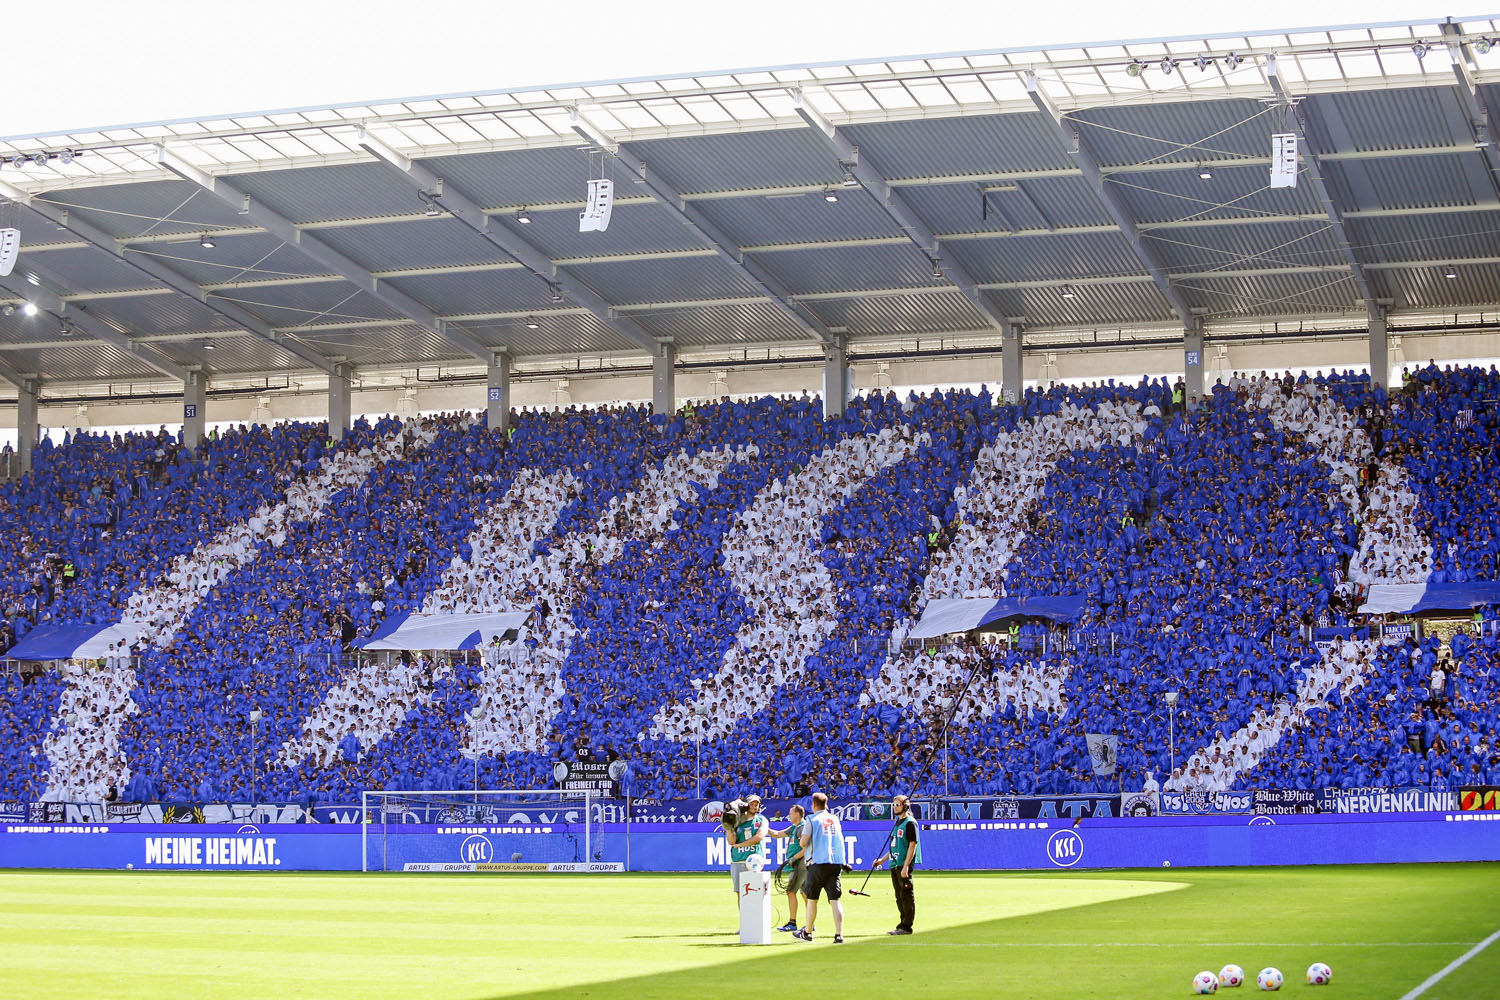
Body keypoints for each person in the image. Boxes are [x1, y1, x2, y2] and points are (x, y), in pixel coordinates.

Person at [794, 792, 845, 944]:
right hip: (835, 862)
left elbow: (803, 843)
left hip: (817, 862)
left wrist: (801, 839)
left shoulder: (811, 819)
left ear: (813, 805)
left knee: (812, 899)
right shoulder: (835, 818)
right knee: (835, 900)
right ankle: (838, 934)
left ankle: (808, 932)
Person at [873, 794, 920, 935]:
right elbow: (894, 847)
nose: (895, 807)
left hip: (902, 864)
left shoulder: (910, 823)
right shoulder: (897, 823)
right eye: (894, 805)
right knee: (899, 896)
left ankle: (906, 926)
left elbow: (913, 845)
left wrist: (906, 866)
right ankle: (901, 924)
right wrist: (882, 860)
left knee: (906, 895)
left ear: (905, 806)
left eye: (897, 804)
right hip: (894, 863)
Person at [769, 803, 807, 932]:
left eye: (791, 813)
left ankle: (792, 922)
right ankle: (810, 923)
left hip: (800, 866)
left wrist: (794, 858)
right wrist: (764, 828)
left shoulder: (802, 828)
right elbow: (777, 834)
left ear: (797, 814)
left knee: (790, 892)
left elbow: (805, 849)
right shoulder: (794, 828)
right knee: (806, 894)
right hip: (800, 866)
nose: (789, 815)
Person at [725, 794, 768, 901]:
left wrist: (740, 845)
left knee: (756, 892)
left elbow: (759, 837)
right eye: (752, 804)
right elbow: (731, 841)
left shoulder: (761, 820)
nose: (754, 807)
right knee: (741, 894)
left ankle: (756, 917)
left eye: (756, 805)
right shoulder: (737, 820)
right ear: (746, 805)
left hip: (754, 861)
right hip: (738, 860)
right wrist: (728, 828)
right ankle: (744, 917)